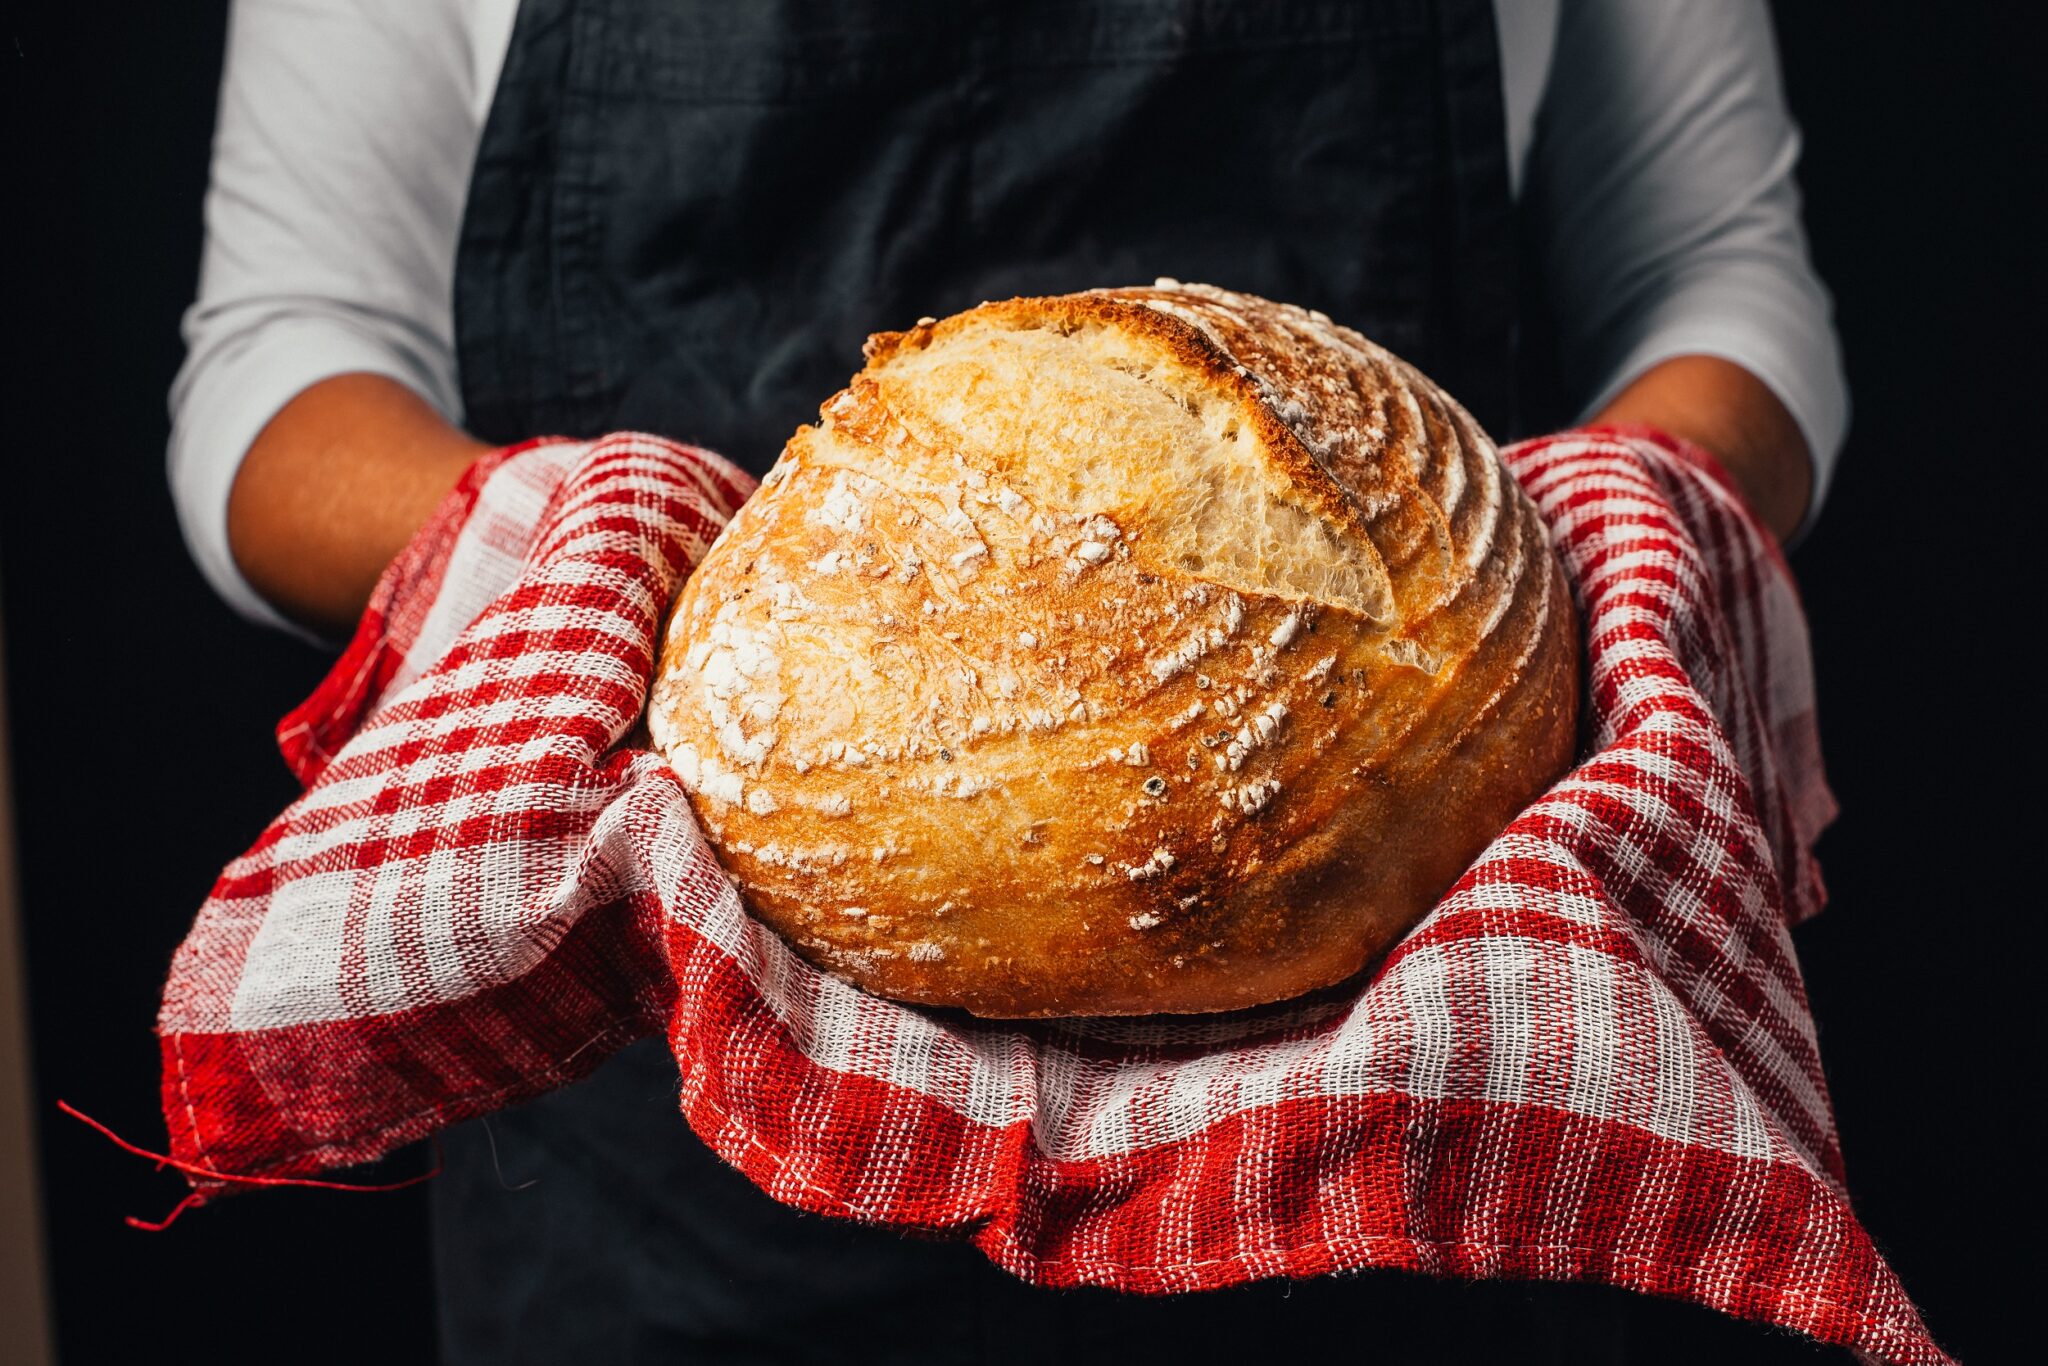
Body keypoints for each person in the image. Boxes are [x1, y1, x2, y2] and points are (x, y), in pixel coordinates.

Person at [169, 2, 1849, 1360]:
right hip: (675, 1137)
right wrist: (624, 562)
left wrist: (1628, 525)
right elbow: (280, 365)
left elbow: (1719, 272)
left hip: (1407, 1132)